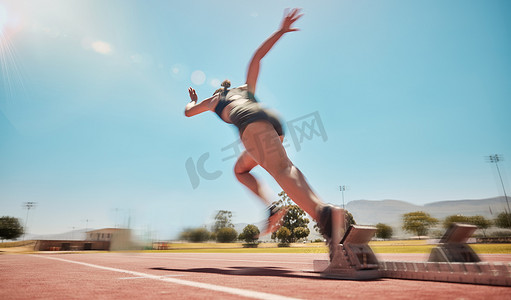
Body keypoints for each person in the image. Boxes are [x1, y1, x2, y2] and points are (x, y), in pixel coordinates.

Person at [185, 9, 345, 254]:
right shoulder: (245, 89)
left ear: (219, 91)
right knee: (246, 169)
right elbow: (256, 59)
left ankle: (323, 215)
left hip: (250, 124)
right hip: (269, 121)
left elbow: (188, 112)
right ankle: (282, 208)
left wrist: (193, 101)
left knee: (279, 169)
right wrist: (280, 31)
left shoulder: (215, 100)